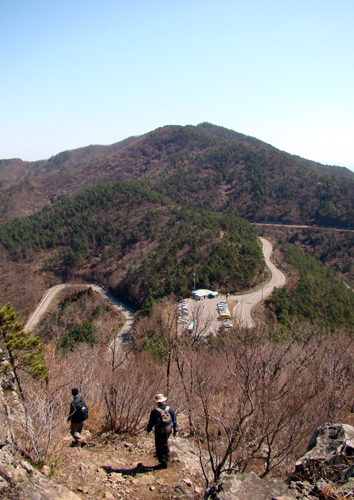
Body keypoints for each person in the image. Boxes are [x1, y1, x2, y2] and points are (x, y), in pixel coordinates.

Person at [147, 393, 178, 469]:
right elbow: (174, 420)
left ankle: (163, 462)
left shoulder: (155, 411)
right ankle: (167, 458)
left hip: (159, 431)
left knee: (159, 445)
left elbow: (151, 422)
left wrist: (149, 429)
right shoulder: (170, 409)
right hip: (168, 430)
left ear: (157, 402)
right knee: (165, 443)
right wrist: (175, 430)